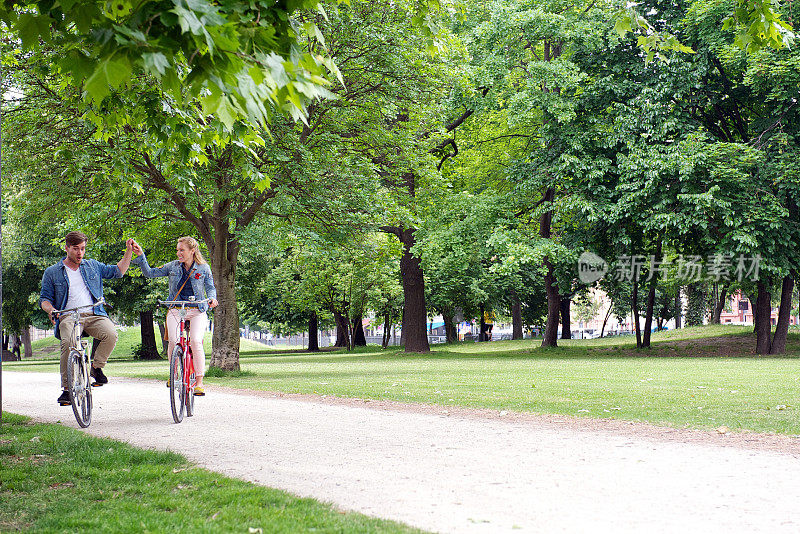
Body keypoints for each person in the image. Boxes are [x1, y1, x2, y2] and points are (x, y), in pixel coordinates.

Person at [40, 231, 136, 406]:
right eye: (76, 249)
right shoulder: (52, 272)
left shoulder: (92, 266)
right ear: (66, 247)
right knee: (68, 343)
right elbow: (44, 300)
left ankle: (96, 367)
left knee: (111, 334)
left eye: (83, 249)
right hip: (68, 315)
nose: (79, 253)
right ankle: (67, 390)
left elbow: (119, 271)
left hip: (94, 313)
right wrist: (52, 310)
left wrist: (128, 251)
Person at [131, 236, 217, 396]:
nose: (178, 253)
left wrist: (213, 298)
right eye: (177, 250)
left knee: (196, 342)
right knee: (173, 340)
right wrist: (141, 256)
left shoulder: (203, 268)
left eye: (182, 250)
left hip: (197, 309)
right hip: (176, 308)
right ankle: (174, 374)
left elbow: (210, 287)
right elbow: (150, 273)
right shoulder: (172, 267)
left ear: (192, 251)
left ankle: (199, 382)